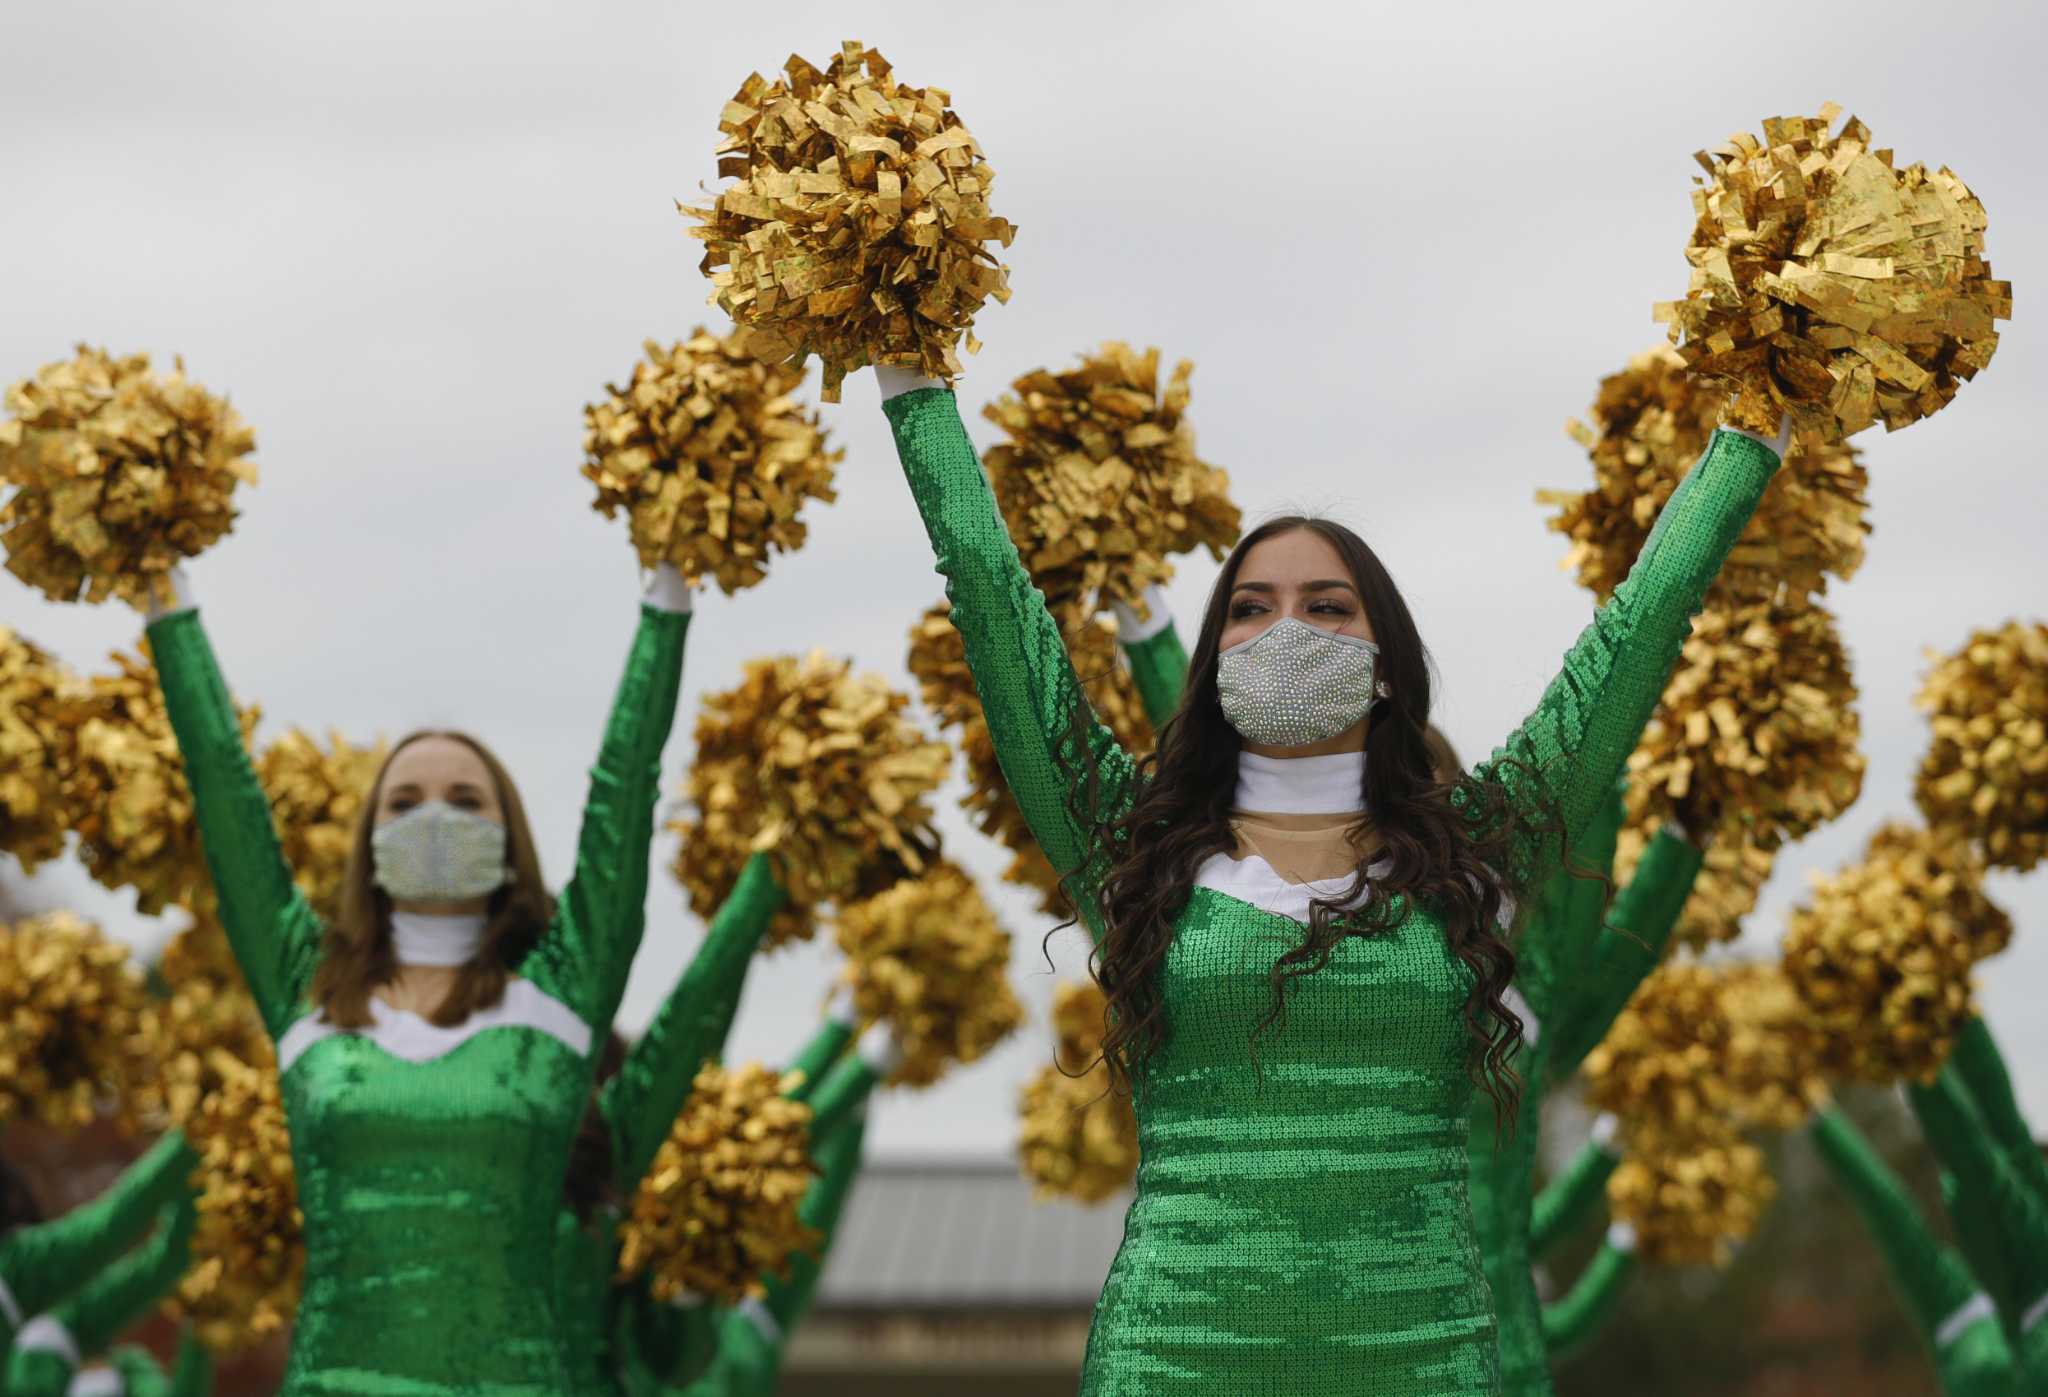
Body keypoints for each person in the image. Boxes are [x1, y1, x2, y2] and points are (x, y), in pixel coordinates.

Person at [872, 364, 1788, 1394]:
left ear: (1386, 661)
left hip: (1424, 1362)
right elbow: (992, 601)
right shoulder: (1131, 846)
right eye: (1249, 608)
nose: (1287, 628)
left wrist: (1756, 426)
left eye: (1327, 604)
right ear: (1212, 658)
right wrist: (913, 385)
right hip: (1172, 1360)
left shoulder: (1472, 847)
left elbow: (1636, 634)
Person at [129, 559, 693, 1396]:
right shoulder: (304, 985)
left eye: (467, 800)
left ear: (510, 833)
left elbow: (627, 786)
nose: (435, 817)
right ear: (368, 836)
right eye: (404, 802)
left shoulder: (564, 988)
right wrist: (166, 605)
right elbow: (225, 791)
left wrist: (667, 600)